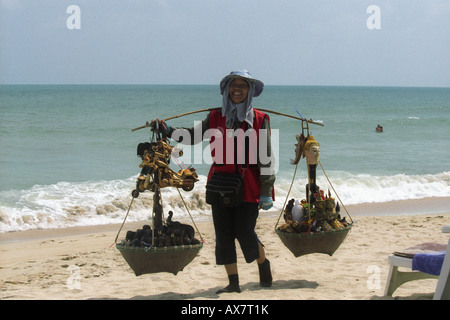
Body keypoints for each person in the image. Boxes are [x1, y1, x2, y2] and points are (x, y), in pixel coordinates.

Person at [152, 70, 275, 294]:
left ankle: (263, 264)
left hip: (248, 186)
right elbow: (192, 136)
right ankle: (233, 283)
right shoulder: (214, 116)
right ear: (227, 89)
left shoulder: (259, 119)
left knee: (245, 232)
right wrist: (168, 130)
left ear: (250, 91)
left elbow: (266, 157)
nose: (237, 89)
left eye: (243, 85)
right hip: (219, 183)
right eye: (233, 85)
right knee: (224, 234)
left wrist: (266, 190)